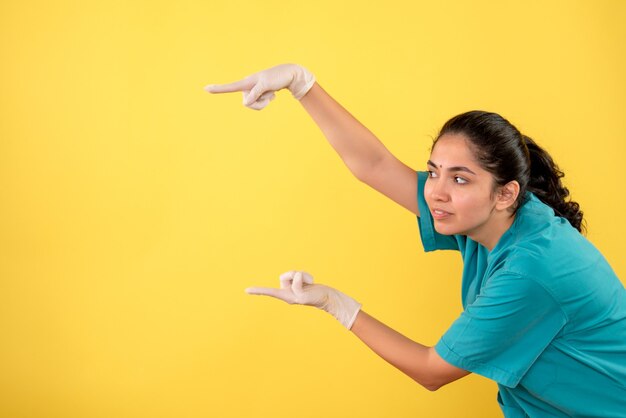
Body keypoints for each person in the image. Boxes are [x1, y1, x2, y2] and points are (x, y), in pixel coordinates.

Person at [204, 64, 626, 417]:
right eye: (435, 170)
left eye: (459, 178)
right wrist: (302, 84)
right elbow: (374, 164)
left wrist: (337, 305)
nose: (435, 190)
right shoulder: (498, 217)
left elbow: (431, 371)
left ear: (506, 192)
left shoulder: (531, 270)